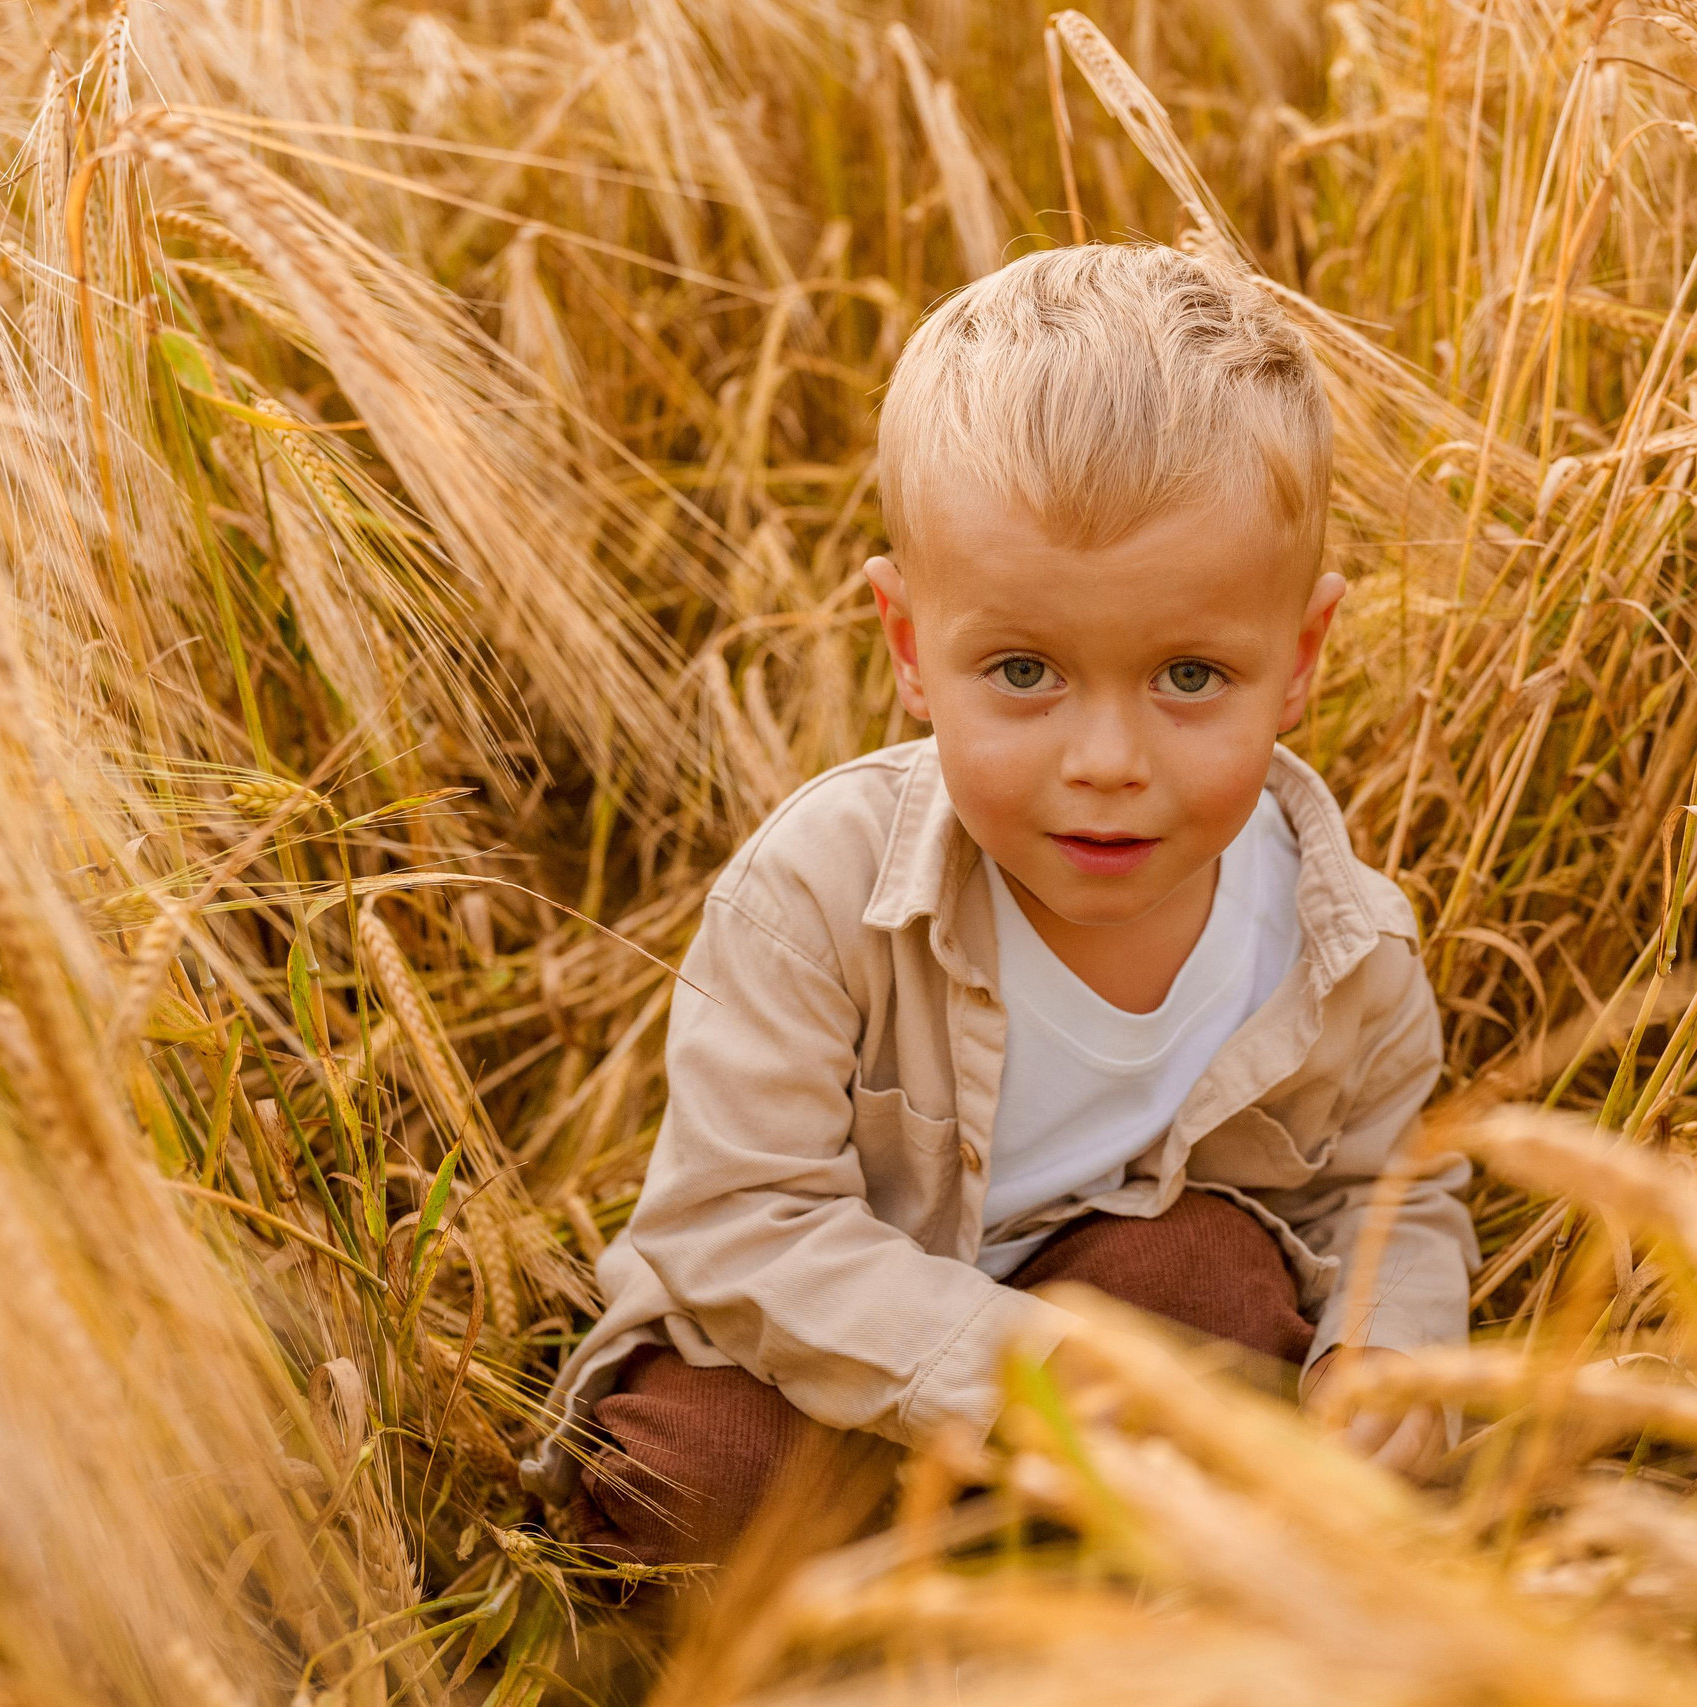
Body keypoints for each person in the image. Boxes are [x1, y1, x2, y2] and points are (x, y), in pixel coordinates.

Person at [521, 242, 1478, 1566]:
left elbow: (1387, 1194)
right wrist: (1013, 1378)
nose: (1106, 760)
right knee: (693, 1476)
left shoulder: (1337, 947)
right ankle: (957, 1573)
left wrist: (1387, 1355)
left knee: (1214, 1280)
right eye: (1024, 669)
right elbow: (734, 1225)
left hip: (1114, 1378)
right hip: (832, 1370)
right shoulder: (818, 893)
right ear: (912, 648)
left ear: (1299, 661)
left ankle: (1043, 1574)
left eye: (1190, 676)